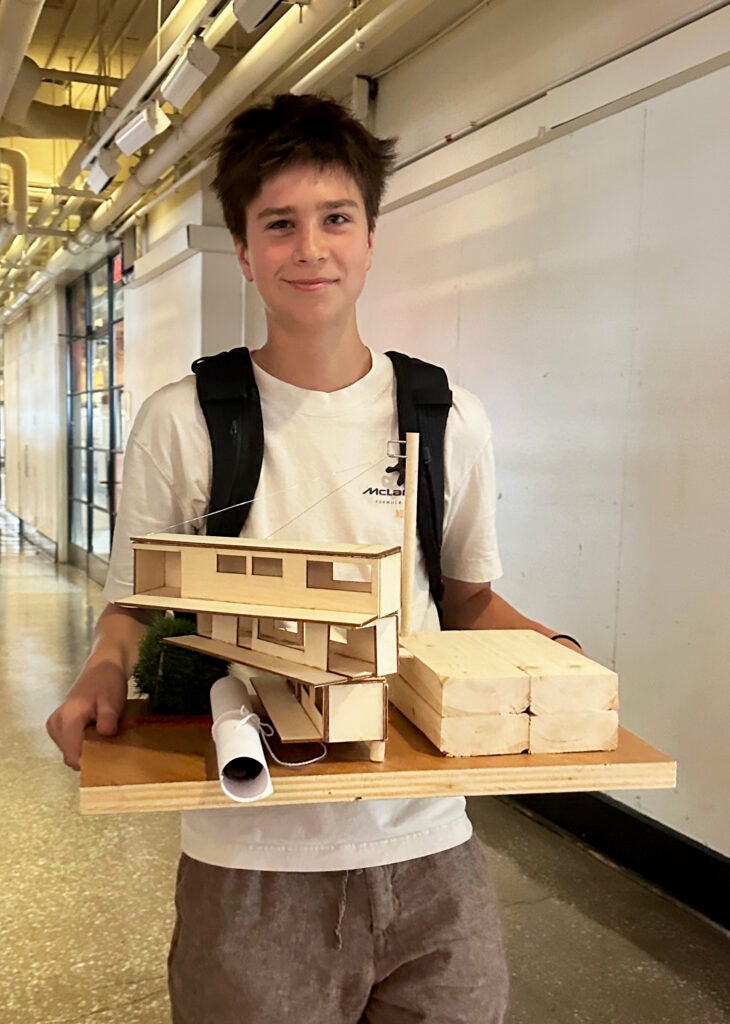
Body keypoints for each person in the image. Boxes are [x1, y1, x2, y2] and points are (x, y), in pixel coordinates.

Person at [47, 93, 581, 1024]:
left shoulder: (446, 415)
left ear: (371, 237)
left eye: (336, 218)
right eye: (280, 225)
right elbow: (135, 604)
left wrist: (563, 659)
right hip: (251, 857)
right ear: (246, 252)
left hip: (429, 844)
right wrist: (102, 670)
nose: (312, 248)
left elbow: (466, 600)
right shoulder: (185, 419)